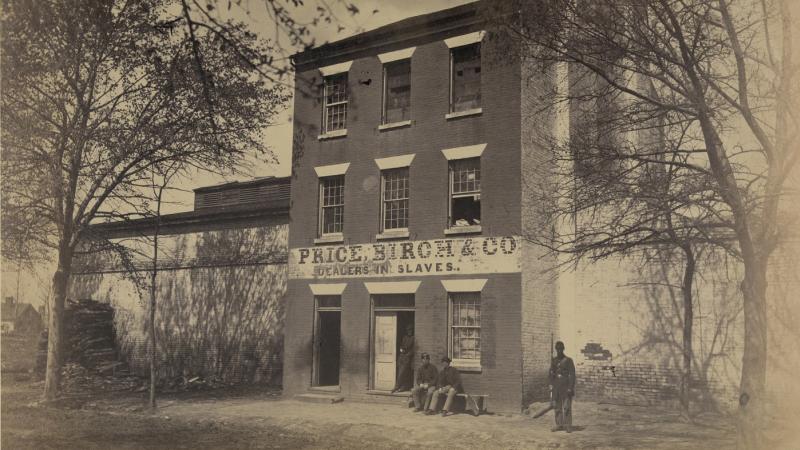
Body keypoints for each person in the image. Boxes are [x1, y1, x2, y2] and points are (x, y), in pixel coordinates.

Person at [549, 341, 576, 432]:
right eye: (558, 349)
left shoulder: (568, 360)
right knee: (557, 407)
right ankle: (559, 424)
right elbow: (551, 374)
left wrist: (570, 388)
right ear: (556, 350)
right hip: (556, 387)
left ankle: (568, 425)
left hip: (566, 387)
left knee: (566, 407)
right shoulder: (554, 360)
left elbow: (572, 375)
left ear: (563, 349)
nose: (559, 351)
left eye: (561, 349)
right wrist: (550, 384)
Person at [392, 324, 415, 393]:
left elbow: (414, 349)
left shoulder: (413, 338)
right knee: (400, 372)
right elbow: (401, 345)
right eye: (408, 330)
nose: (409, 332)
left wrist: (408, 354)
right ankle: (402, 387)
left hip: (407, 358)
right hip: (401, 356)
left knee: (402, 372)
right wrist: (401, 349)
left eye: (410, 330)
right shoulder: (404, 337)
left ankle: (396, 386)